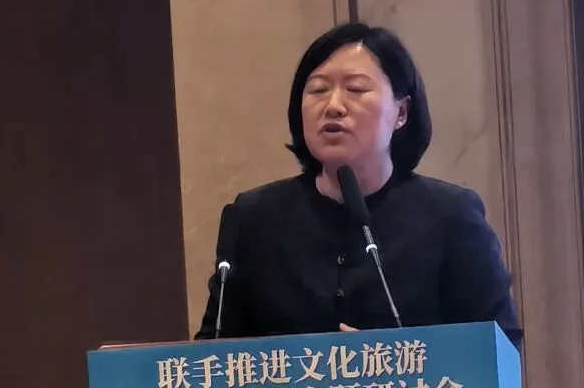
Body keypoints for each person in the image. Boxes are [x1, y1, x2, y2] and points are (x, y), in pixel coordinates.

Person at [196, 22, 519, 341]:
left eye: (356, 90)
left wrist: (392, 361)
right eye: (318, 90)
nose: (333, 106)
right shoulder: (255, 219)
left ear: (402, 112)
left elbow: (499, 350)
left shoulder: (450, 217)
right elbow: (212, 354)